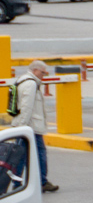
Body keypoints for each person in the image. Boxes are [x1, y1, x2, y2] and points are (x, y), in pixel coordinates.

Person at [13, 61, 57, 193]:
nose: (44, 75)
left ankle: (18, 183)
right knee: (39, 154)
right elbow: (27, 107)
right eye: (43, 72)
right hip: (30, 126)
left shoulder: (21, 80)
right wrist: (22, 128)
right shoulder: (31, 84)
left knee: (20, 156)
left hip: (26, 126)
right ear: (35, 70)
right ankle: (41, 182)